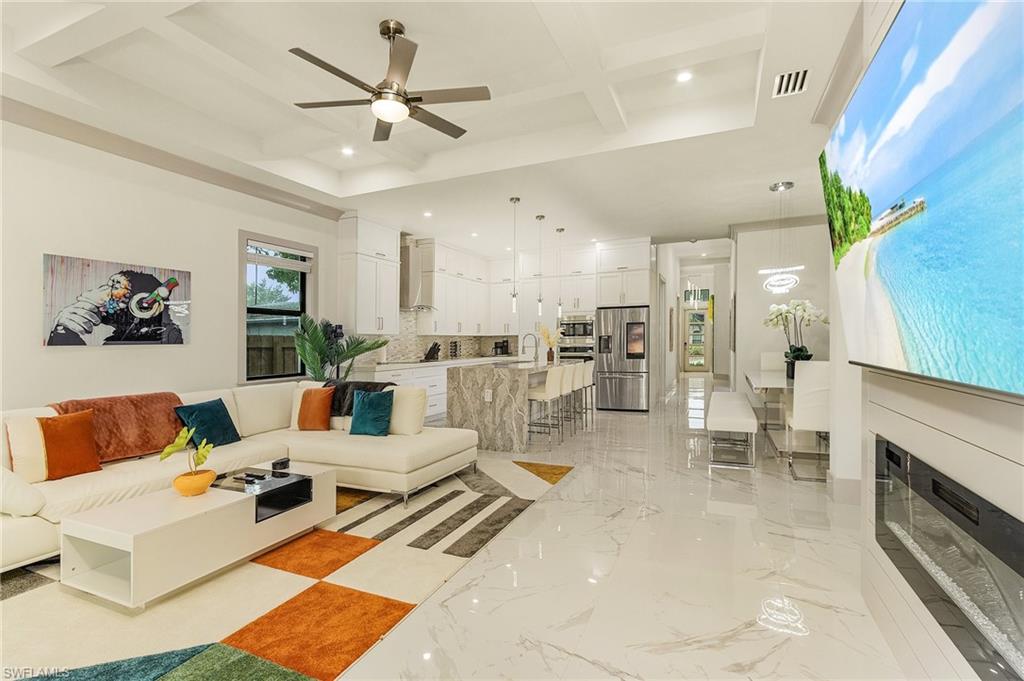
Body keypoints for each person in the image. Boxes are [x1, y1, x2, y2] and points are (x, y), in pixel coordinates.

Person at [48, 270, 183, 345]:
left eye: (115, 286)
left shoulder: (169, 336)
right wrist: (63, 333)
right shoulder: (115, 342)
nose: (104, 292)